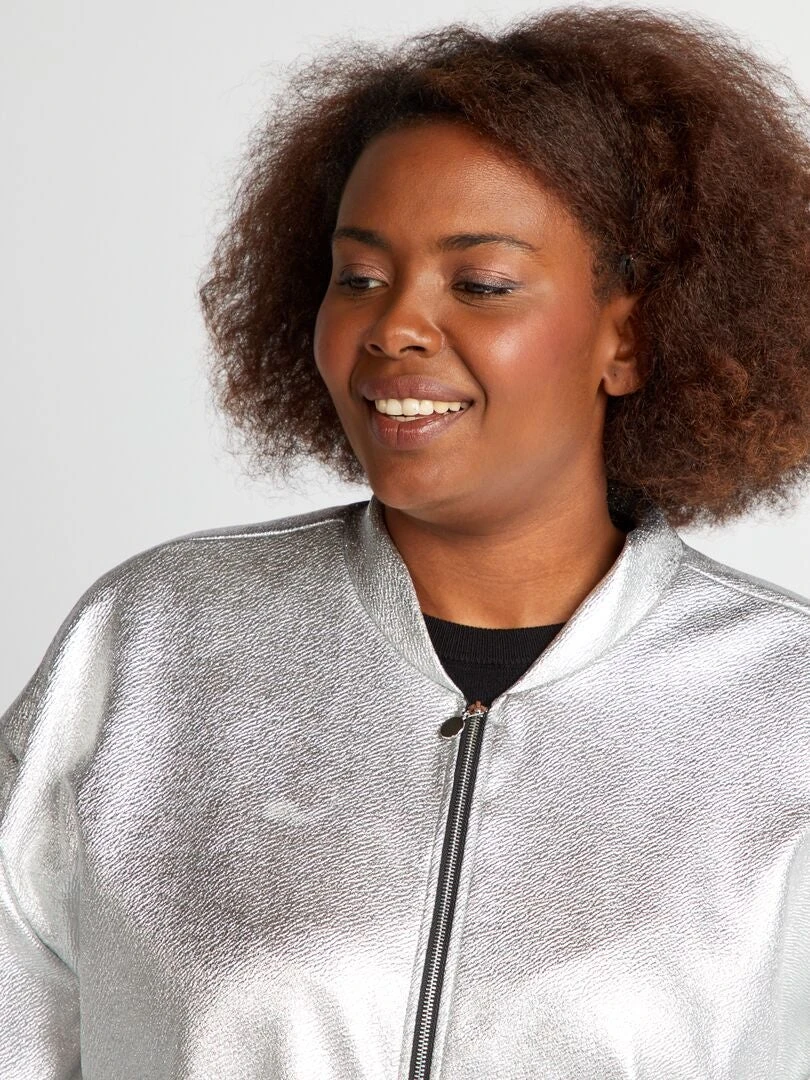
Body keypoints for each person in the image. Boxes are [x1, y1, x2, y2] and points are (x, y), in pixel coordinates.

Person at [3, 5, 810, 1078]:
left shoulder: (785, 709)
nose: (393, 328)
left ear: (630, 335)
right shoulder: (152, 644)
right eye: (360, 278)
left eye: (480, 285)